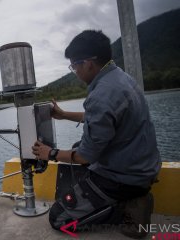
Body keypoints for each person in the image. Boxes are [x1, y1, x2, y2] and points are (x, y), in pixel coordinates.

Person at [31, 30, 161, 239]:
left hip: (124, 177)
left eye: (74, 66)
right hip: (140, 167)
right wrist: (64, 115)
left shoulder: (101, 94)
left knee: (58, 218)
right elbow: (102, 118)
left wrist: (51, 153)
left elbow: (85, 156)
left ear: (89, 63)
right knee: (76, 145)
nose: (75, 71)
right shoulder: (120, 78)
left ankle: (128, 209)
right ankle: (128, 196)